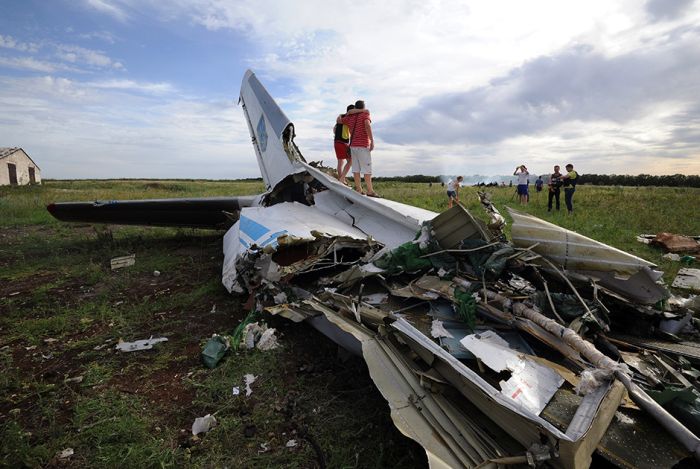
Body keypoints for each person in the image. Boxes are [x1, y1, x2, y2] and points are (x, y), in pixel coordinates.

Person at [338, 100, 378, 197]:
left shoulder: (350, 117)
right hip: (363, 145)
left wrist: (348, 113)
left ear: (355, 107)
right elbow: (367, 125)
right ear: (363, 107)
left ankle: (359, 189)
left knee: (356, 169)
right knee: (367, 169)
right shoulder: (365, 114)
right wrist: (372, 141)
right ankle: (370, 191)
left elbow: (339, 120)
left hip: (353, 146)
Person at [333, 104, 355, 184]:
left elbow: (334, 129)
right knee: (350, 161)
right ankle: (342, 179)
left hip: (336, 142)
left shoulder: (341, 117)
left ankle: (341, 179)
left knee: (340, 162)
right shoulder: (348, 118)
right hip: (343, 142)